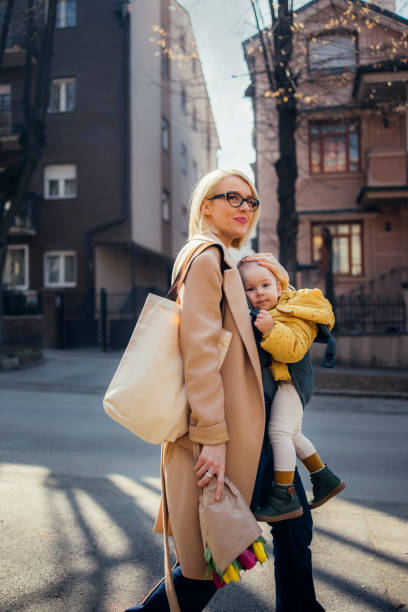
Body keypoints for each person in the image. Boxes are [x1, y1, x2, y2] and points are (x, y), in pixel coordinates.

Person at [125, 168, 325, 612]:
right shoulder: (206, 257)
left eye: (250, 202)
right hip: (231, 432)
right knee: (218, 552)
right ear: (206, 204)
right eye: (232, 197)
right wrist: (212, 437)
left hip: (252, 427)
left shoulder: (228, 261)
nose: (244, 208)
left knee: (285, 524)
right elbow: (198, 353)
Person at [238, 257, 345, 523]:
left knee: (279, 433)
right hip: (287, 381)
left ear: (280, 287)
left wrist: (271, 329)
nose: (259, 292)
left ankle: (283, 495)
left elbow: (293, 350)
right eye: (250, 289)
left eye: (265, 285)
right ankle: (324, 478)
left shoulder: (292, 311)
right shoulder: (276, 310)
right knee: (293, 434)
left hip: (292, 383)